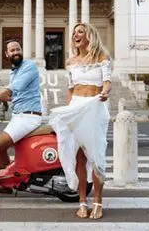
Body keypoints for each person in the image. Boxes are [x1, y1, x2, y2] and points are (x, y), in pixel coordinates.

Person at [48, 22, 112, 220]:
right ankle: (82, 202)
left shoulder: (102, 57)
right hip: (75, 106)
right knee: (79, 158)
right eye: (74, 32)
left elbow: (108, 83)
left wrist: (105, 93)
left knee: (96, 156)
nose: (76, 35)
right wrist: (67, 111)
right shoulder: (71, 61)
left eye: (80, 32)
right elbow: (70, 88)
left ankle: (98, 202)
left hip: (94, 106)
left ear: (89, 36)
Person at [0, 39, 43, 212]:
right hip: (19, 116)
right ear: (6, 54)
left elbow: (12, 89)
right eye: (12, 50)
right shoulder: (14, 72)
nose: (15, 52)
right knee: (1, 148)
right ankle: (6, 182)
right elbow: (12, 95)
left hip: (28, 116)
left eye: (18, 49)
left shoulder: (29, 66)